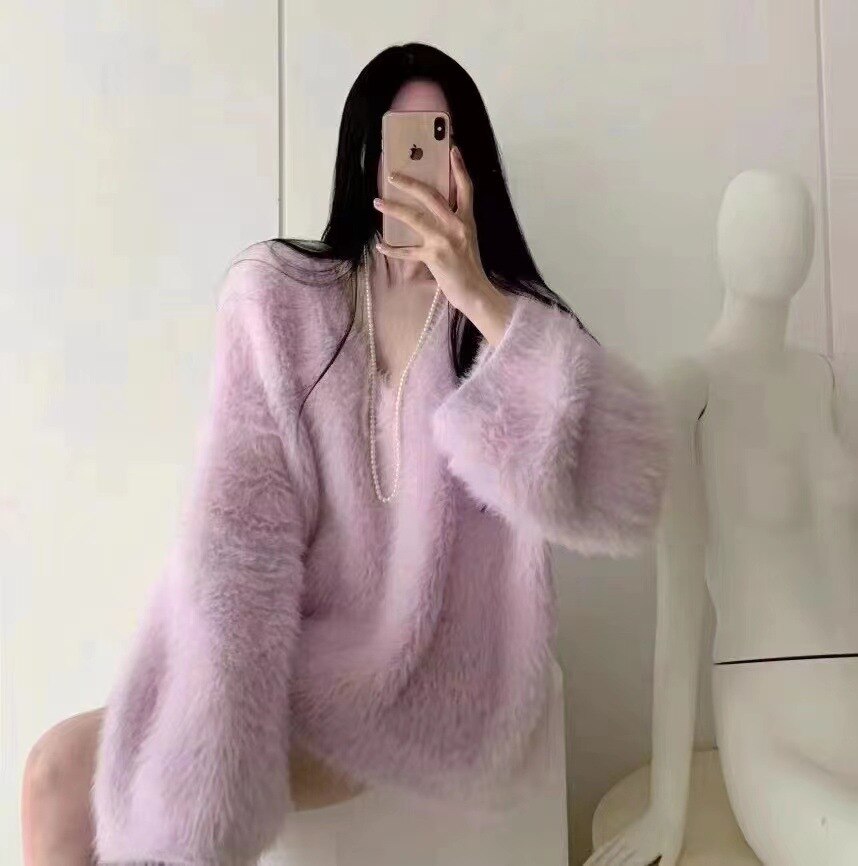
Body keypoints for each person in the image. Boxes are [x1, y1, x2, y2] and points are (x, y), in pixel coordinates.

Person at [21, 42, 672, 866]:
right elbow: (236, 525)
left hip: (435, 679)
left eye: (439, 140)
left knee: (77, 775)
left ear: (470, 165)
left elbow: (631, 495)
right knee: (52, 773)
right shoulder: (280, 302)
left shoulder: (509, 325)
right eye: (401, 141)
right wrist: (219, 713)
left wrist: (476, 293)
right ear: (365, 155)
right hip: (288, 658)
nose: (420, 169)